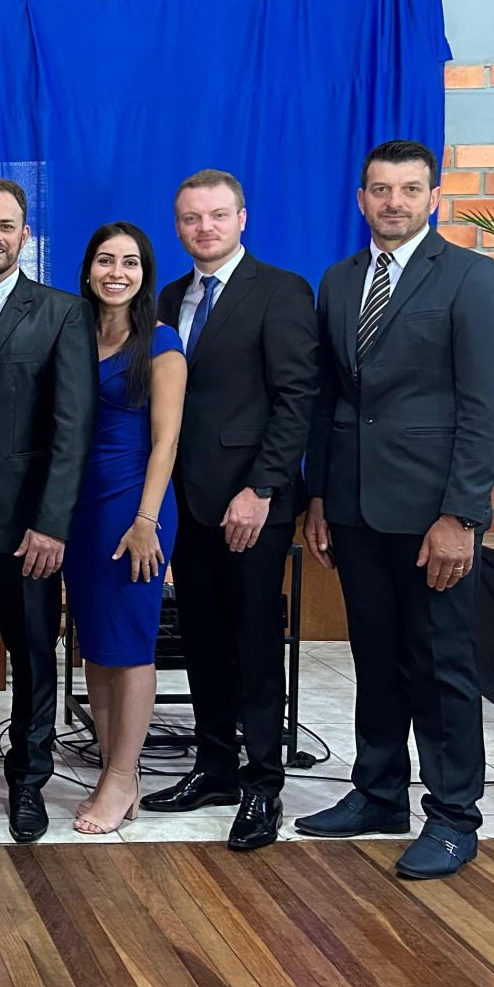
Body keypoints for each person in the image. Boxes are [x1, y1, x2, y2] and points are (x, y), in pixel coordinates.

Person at [300, 140, 494, 880]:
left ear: (433, 197)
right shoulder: (339, 280)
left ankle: (453, 817)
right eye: (381, 189)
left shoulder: (471, 279)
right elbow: (330, 399)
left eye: (410, 189)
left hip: (433, 518)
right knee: (376, 657)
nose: (394, 202)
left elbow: (486, 407)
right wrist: (320, 495)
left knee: (441, 665)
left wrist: (462, 516)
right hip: (355, 508)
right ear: (361, 198)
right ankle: (379, 793)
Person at [140, 170, 317, 852]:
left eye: (217, 215)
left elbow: (296, 399)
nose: (204, 227)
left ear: (242, 218)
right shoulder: (169, 296)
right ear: (178, 226)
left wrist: (263, 488)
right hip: (187, 501)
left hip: (252, 503)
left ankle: (262, 783)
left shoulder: (281, 290)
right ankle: (214, 768)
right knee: (204, 640)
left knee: (253, 643)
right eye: (191, 218)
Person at [0, 178, 97, 840]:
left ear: (25, 235)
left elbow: (72, 428)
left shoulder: (61, 313)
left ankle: (30, 779)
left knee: (33, 652)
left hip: (26, 524)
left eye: (7, 226)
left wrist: (52, 523)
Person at [61, 223, 186, 835]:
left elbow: (167, 440)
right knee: (96, 643)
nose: (117, 272)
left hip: (135, 505)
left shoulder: (160, 341)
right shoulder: (75, 334)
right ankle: (112, 767)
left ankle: (123, 776)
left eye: (130, 262)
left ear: (144, 273)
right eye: (106, 260)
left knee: (130, 644)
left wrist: (144, 521)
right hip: (81, 507)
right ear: (88, 270)